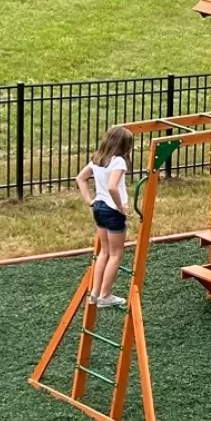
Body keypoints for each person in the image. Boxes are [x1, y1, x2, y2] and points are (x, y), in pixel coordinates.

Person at [76, 126, 134, 307]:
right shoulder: (118, 162)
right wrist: (121, 208)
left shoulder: (97, 159)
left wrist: (89, 201)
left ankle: (95, 292)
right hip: (112, 211)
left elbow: (80, 178)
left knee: (104, 251)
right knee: (116, 254)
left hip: (99, 207)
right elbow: (112, 187)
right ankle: (105, 295)